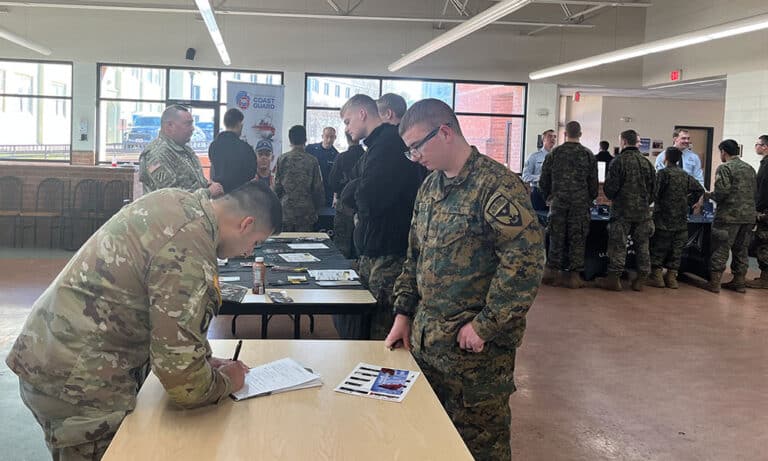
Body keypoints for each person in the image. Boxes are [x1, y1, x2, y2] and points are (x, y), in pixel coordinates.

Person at [5, 181, 282, 460]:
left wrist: (203, 361)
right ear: (245, 224)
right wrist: (228, 381)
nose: (248, 253)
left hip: (57, 350)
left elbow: (169, 328)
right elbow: (185, 384)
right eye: (255, 242)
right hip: (79, 381)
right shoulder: (189, 250)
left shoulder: (176, 200)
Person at [384, 98, 544, 461]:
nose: (414, 157)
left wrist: (485, 326)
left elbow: (526, 262)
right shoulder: (429, 188)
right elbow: (415, 257)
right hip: (427, 346)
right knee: (427, 442)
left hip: (474, 357)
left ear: (444, 132)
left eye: (415, 148)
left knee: (479, 449)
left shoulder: (496, 186)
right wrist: (403, 314)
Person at [335, 94, 424, 340]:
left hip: (388, 254)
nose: (347, 128)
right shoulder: (374, 146)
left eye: (348, 120)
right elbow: (354, 183)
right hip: (374, 250)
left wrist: (355, 189)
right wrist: (356, 187)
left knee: (380, 332)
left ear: (363, 113)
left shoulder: (387, 146)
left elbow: (368, 199)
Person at [539, 121, 598, 288]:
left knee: (556, 237)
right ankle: (574, 276)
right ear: (580, 134)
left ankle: (552, 273)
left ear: (565, 133)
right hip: (580, 204)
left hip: (558, 203)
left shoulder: (555, 153)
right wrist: (588, 199)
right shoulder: (588, 155)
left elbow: (544, 180)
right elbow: (593, 184)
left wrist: (549, 197)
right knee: (577, 238)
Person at [598, 129, 656, 291]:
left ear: (623, 141)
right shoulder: (647, 163)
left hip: (622, 212)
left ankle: (614, 279)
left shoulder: (618, 161)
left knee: (618, 245)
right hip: (643, 213)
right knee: (643, 245)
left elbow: (609, 189)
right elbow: (654, 190)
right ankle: (641, 279)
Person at [703, 139, 757, 293]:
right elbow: (754, 191)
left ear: (723, 152)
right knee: (741, 250)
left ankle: (714, 283)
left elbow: (721, 193)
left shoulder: (725, 168)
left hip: (728, 217)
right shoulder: (750, 168)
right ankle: (739, 282)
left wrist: (708, 195)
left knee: (720, 248)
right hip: (748, 216)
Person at [647, 147, 705, 289]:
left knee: (659, 247)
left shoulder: (662, 173)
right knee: (676, 249)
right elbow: (699, 189)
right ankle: (672, 278)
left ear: (665, 158)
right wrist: (688, 203)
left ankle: (657, 277)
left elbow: (654, 193)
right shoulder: (685, 175)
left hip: (663, 218)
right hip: (680, 218)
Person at [139, 105, 223, 197]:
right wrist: (208, 193)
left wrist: (208, 186)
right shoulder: (156, 154)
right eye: (188, 124)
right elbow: (170, 196)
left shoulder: (185, 150)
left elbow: (194, 183)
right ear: (169, 126)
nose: (192, 128)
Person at [274, 125, 325, 232]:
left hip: (286, 212)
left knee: (285, 246)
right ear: (305, 139)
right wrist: (318, 208)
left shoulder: (282, 159)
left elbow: (277, 187)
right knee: (304, 246)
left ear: (290, 140)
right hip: (306, 213)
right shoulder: (312, 160)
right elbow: (318, 188)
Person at [328, 131, 364, 259]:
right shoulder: (367, 156)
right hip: (362, 206)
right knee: (360, 243)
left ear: (346, 139)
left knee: (341, 243)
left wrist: (340, 191)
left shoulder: (342, 157)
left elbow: (332, 182)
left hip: (344, 205)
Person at [208, 108, 257, 193]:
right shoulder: (246, 148)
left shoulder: (213, 146)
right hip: (240, 196)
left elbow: (213, 170)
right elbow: (251, 174)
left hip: (219, 194)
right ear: (239, 124)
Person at [747, 135, 768, 289]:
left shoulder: (767, 165)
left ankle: (765, 278)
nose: (756, 147)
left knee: (763, 243)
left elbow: (763, 190)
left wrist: (758, 209)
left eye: (758, 144)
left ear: (765, 147)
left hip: (765, 211)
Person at [522, 129, 556, 210]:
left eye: (554, 137)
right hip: (538, 194)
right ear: (543, 139)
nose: (553, 139)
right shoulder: (534, 156)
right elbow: (525, 177)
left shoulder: (558, 157)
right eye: (550, 136)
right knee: (538, 218)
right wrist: (540, 177)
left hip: (554, 195)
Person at [306, 126, 339, 207]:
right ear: (322, 136)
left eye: (331, 137)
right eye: (326, 136)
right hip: (310, 189)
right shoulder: (310, 149)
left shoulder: (336, 155)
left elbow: (336, 177)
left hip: (327, 192)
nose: (329, 140)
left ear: (335, 138)